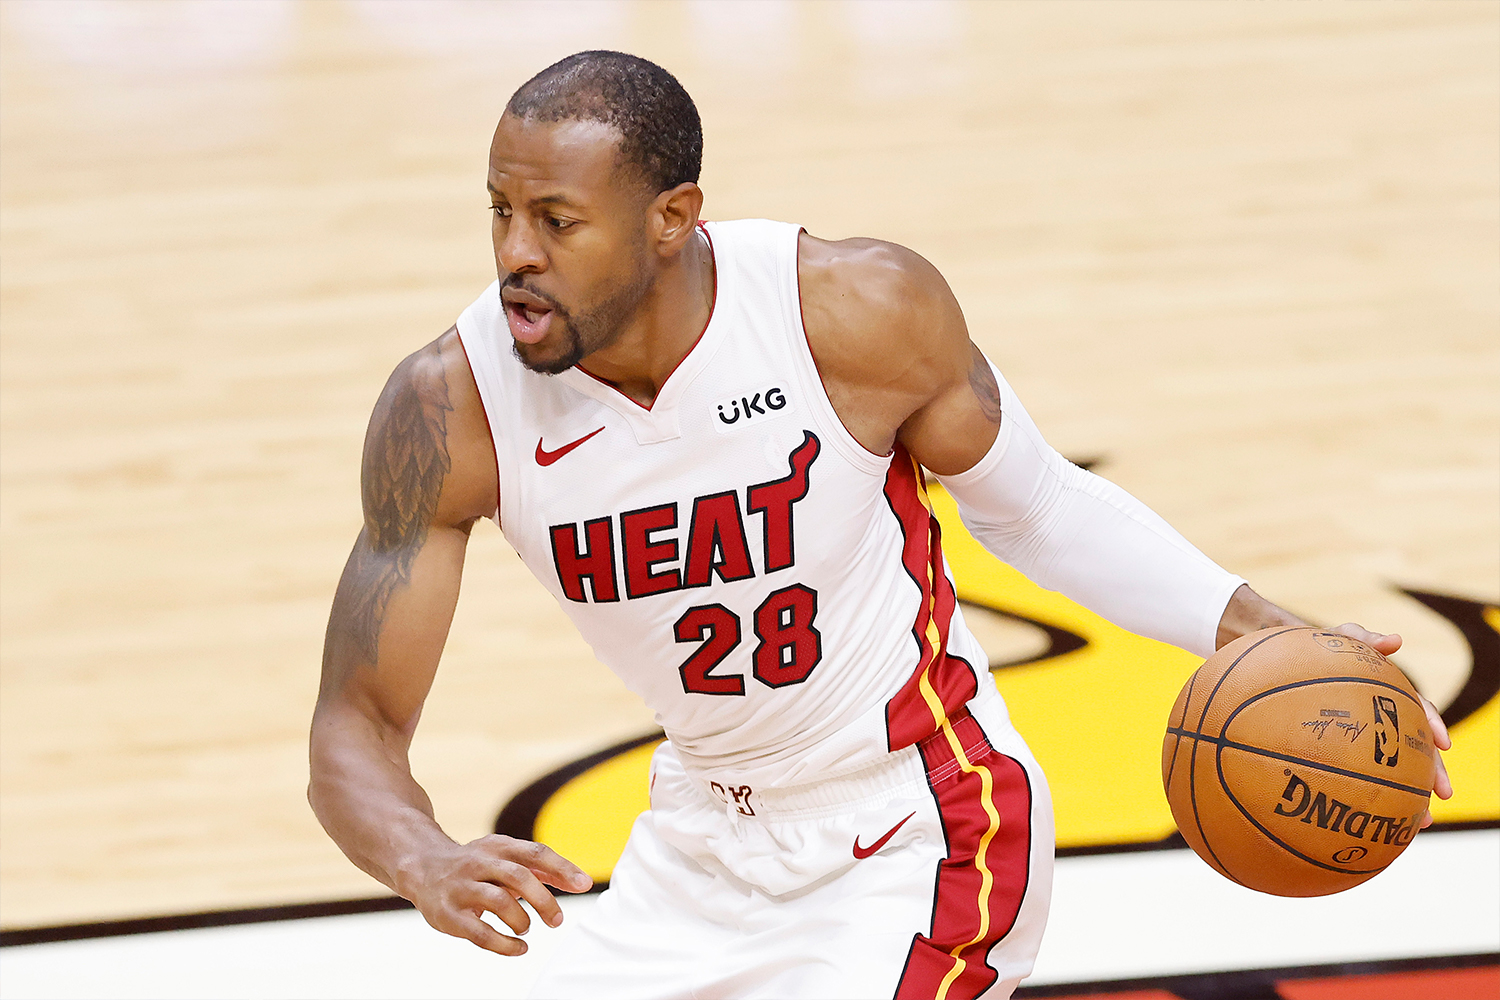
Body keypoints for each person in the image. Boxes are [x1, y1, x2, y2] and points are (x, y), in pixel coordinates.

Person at [308, 51, 1451, 1000]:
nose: (516, 254)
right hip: (700, 832)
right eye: (502, 214)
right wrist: (422, 856)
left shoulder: (847, 313)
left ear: (671, 218)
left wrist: (1263, 629)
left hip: (920, 818)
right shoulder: (450, 407)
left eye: (558, 222)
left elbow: (1038, 504)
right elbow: (354, 726)